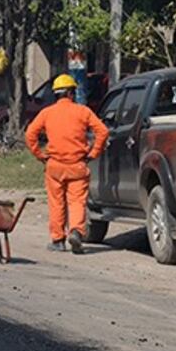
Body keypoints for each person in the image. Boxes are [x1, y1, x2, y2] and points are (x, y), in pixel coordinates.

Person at [25, 73, 109, 254]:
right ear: (71, 93)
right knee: (77, 201)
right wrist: (93, 153)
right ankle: (77, 231)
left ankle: (58, 240)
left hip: (54, 166)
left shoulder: (47, 113)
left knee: (57, 203)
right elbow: (102, 131)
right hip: (78, 165)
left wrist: (40, 155)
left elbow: (30, 134)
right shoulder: (83, 111)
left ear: (56, 94)